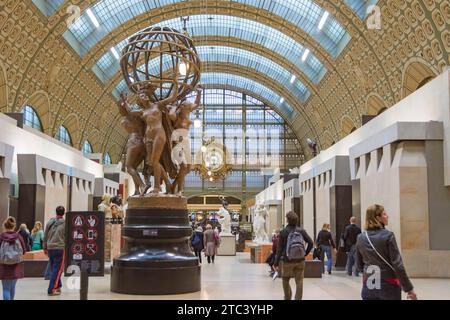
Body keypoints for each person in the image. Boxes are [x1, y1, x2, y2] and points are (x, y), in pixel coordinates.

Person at [356, 204, 417, 300]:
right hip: (388, 284)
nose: (387, 216)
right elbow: (397, 265)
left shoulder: (361, 237)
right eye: (384, 214)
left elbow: (359, 265)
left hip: (369, 284)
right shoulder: (388, 235)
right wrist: (409, 289)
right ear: (378, 218)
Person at [274, 211, 313, 300]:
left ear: (287, 220)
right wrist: (305, 254)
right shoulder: (301, 231)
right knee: (299, 280)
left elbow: (279, 249)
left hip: (288, 260)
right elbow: (310, 242)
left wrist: (276, 263)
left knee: (285, 278)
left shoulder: (283, 232)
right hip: (300, 260)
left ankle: (287, 297)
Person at [0, 217, 26, 300]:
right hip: (16, 265)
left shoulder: (1, 237)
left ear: (4, 226)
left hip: (3, 265)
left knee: (6, 288)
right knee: (12, 287)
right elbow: (24, 251)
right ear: (14, 226)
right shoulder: (18, 236)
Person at [43, 206, 66, 296]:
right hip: (60, 248)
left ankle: (58, 286)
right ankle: (51, 289)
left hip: (50, 248)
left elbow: (45, 236)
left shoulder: (50, 222)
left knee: (54, 268)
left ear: (56, 212)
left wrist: (45, 247)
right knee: (58, 269)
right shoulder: (65, 223)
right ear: (63, 213)